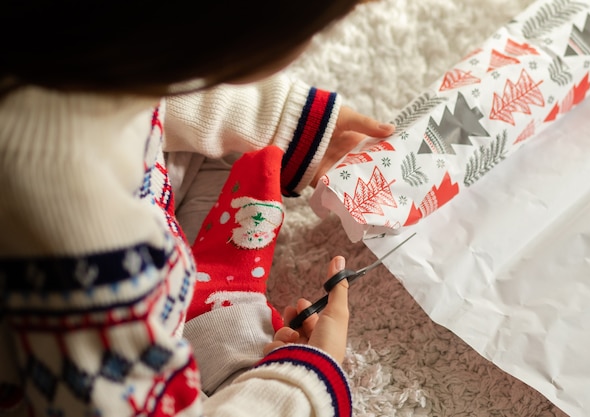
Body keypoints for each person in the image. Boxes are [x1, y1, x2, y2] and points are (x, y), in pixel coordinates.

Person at [0, 2, 395, 416]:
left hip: (126, 209)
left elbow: (158, 93)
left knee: (234, 148)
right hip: (78, 343)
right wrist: (305, 383)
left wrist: (285, 123)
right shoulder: (71, 215)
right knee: (241, 374)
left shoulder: (74, 50)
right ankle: (213, 327)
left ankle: (205, 298)